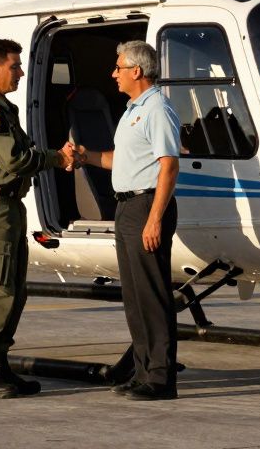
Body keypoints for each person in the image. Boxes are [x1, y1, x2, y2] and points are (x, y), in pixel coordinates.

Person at [0, 38, 76, 399]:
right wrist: (57, 158)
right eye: (15, 66)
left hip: (7, 205)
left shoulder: (1, 108)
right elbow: (16, 159)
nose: (21, 72)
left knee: (12, 291)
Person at [76, 40, 181, 401]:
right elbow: (119, 161)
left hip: (146, 206)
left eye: (118, 67)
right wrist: (85, 156)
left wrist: (155, 220)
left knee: (152, 294)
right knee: (134, 297)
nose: (113, 73)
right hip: (127, 207)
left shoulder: (157, 110)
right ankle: (141, 371)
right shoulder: (133, 109)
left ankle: (160, 377)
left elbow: (169, 166)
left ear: (136, 71)